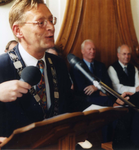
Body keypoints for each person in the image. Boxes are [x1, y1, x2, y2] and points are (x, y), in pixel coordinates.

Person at [0, 0, 94, 140]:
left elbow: (68, 103)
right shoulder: (2, 66)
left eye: (51, 20)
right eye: (41, 22)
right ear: (18, 30)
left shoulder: (59, 63)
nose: (51, 27)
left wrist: (103, 107)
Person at [70, 39, 114, 106]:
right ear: (82, 51)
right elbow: (81, 88)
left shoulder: (101, 66)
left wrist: (96, 87)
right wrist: (99, 93)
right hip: (87, 100)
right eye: (89, 49)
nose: (92, 51)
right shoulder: (77, 68)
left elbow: (108, 83)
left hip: (103, 96)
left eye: (94, 49)